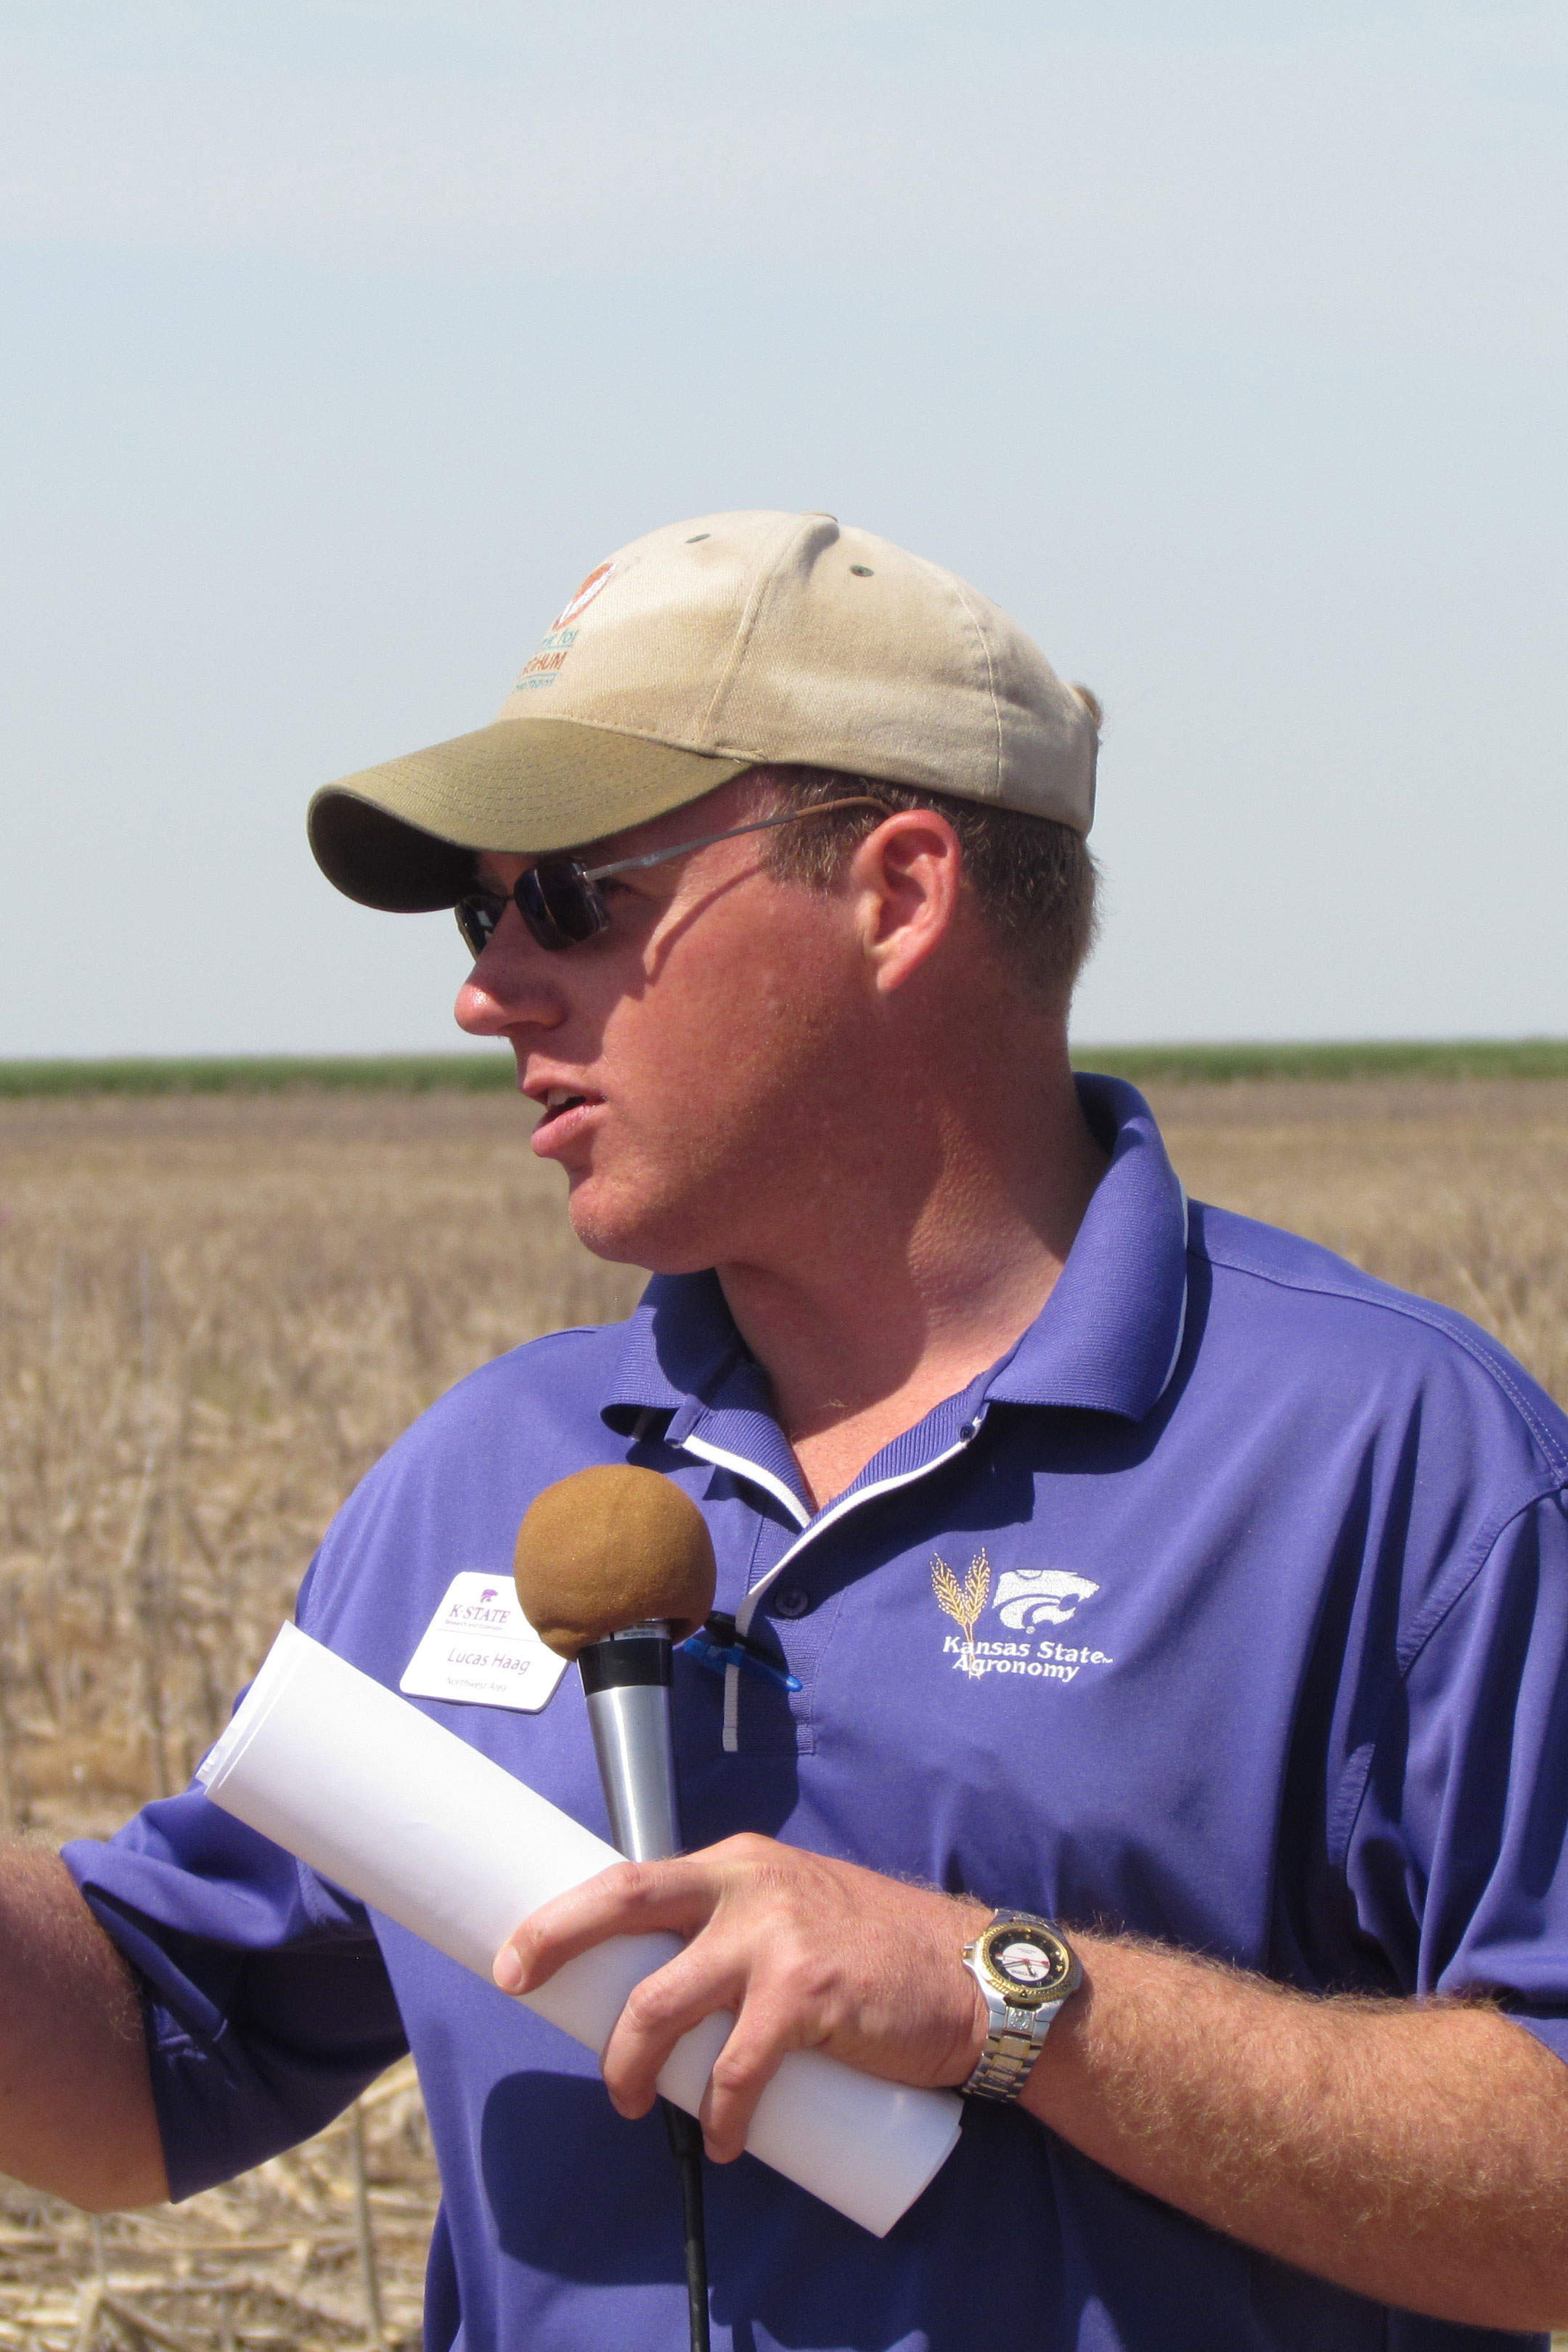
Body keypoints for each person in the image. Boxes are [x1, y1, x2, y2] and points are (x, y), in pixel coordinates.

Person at [7, 508, 1568, 2351]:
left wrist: (1007, 1999)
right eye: (475, 909)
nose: (487, 985)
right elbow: (167, 2046)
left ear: (896, 893)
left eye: (571, 898)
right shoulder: (482, 1473)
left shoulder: (1391, 1465)